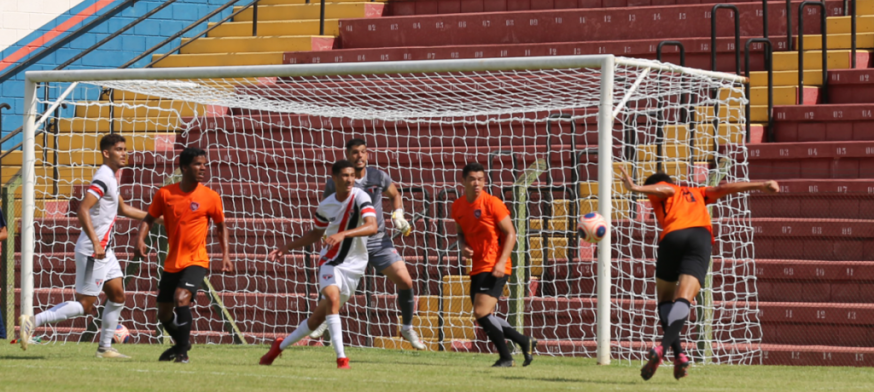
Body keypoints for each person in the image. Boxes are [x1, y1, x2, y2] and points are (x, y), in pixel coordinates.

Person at [618, 167, 779, 380]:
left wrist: (637, 188)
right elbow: (724, 189)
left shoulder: (667, 189)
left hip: (672, 236)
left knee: (665, 299)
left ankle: (672, 352)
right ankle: (674, 353)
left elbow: (665, 190)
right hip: (699, 238)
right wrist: (759, 184)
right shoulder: (698, 192)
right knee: (684, 298)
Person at [18, 134, 158, 358]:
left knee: (118, 296)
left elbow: (122, 209)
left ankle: (105, 348)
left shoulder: (111, 177)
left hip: (105, 250)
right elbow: (82, 209)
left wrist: (155, 217)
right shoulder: (103, 178)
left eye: (125, 149)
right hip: (95, 250)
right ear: (106, 153)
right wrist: (95, 242)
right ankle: (32, 322)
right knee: (85, 305)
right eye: (119, 149)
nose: (124, 153)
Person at [259, 160, 377, 369]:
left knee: (315, 321)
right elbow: (315, 233)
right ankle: (342, 359)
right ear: (334, 178)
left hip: (355, 266)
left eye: (352, 175)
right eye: (345, 175)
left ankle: (279, 345)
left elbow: (372, 226)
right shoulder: (326, 205)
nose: (350, 179)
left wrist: (343, 234)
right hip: (330, 261)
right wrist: (287, 247)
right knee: (332, 298)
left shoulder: (361, 197)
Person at [308, 139, 425, 349]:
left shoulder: (377, 176)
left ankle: (407, 327)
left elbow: (395, 194)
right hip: (350, 245)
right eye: (355, 153)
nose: (359, 156)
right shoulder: (335, 182)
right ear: (347, 155)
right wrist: (327, 231)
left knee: (405, 281)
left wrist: (398, 213)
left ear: (367, 155)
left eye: (363, 152)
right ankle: (323, 319)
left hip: (377, 241)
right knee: (336, 288)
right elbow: (326, 210)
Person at [135, 147, 232, 363]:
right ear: (184, 167)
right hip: (172, 262)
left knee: (181, 298)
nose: (203, 168)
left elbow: (221, 226)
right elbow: (149, 219)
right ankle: (182, 342)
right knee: (163, 314)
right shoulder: (165, 194)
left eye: (205, 164)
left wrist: (226, 254)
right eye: (198, 164)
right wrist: (140, 239)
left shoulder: (210, 196)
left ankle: (182, 354)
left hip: (197, 260)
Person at [452, 162, 536, 367]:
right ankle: (524, 342)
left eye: (480, 179)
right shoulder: (458, 206)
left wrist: (500, 262)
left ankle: (507, 357)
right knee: (483, 315)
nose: (477, 183)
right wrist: (463, 247)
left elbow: (511, 233)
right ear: (463, 181)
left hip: (494, 265)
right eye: (472, 179)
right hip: (477, 265)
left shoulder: (493, 203)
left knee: (481, 313)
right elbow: (460, 232)